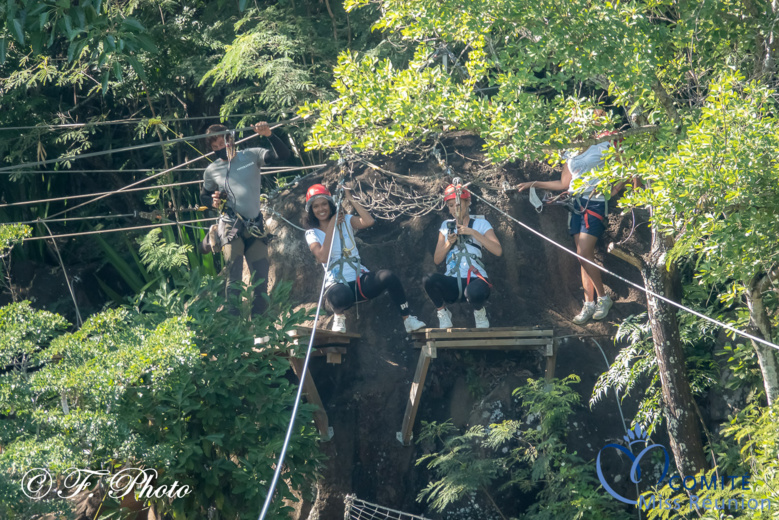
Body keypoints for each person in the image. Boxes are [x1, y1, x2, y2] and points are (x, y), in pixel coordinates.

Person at [516, 109, 622, 325]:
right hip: (575, 203)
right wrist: (533, 184)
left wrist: (613, 191)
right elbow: (564, 184)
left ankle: (603, 298)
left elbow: (625, 168)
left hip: (594, 202)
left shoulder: (605, 144)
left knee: (583, 251)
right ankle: (588, 303)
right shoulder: (570, 151)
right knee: (582, 256)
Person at [303, 183, 426, 334]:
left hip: (359, 279)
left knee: (388, 276)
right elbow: (323, 257)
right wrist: (331, 226)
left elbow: (369, 221)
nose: (321, 209)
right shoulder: (312, 234)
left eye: (324, 204)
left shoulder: (346, 220)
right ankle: (339, 317)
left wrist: (350, 198)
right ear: (311, 210)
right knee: (342, 296)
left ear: (330, 204)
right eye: (316, 206)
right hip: (336, 284)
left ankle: (408, 319)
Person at [199, 121, 290, 316]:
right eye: (214, 148)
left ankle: (259, 328)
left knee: (261, 281)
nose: (218, 150)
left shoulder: (251, 155)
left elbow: (282, 155)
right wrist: (212, 201)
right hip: (231, 226)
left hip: (255, 225)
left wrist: (269, 135)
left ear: (230, 140)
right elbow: (204, 196)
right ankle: (234, 329)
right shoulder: (211, 170)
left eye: (221, 144)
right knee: (234, 280)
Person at [423, 183, 503, 329]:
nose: (455, 209)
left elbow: (497, 250)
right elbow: (437, 259)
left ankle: (479, 312)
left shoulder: (480, 223)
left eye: (458, 204)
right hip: (452, 281)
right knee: (429, 280)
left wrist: (473, 233)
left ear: (468, 203)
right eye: (451, 205)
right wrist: (449, 243)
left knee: (473, 292)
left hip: (475, 278)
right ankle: (443, 313)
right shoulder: (446, 225)